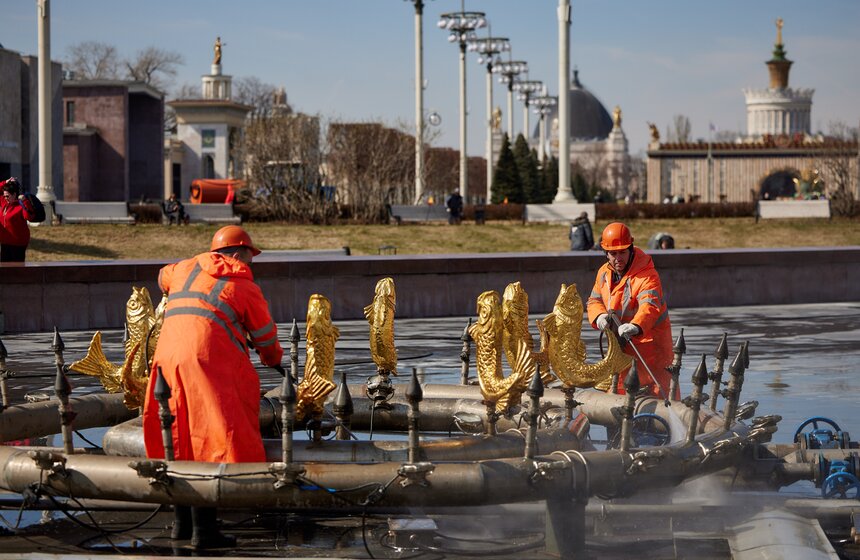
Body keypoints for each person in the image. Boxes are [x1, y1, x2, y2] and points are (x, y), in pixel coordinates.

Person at [142, 225, 283, 549]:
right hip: (206, 364)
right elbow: (265, 336)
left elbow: (162, 276)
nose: (250, 264)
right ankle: (204, 532)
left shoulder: (183, 268)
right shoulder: (242, 284)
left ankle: (180, 526)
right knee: (209, 441)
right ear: (236, 255)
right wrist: (272, 358)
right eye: (249, 257)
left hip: (167, 362)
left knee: (178, 439)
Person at [587, 222, 675, 399]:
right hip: (622, 350)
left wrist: (636, 325)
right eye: (613, 253)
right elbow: (594, 300)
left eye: (622, 252)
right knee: (618, 400)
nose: (618, 258)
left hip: (651, 352)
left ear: (631, 249)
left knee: (658, 404)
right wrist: (599, 316)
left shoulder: (647, 275)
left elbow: (649, 306)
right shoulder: (604, 273)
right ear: (606, 253)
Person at [0, 177, 37, 262]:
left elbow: (29, 217)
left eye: (7, 196)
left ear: (14, 194)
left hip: (18, 244)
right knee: (5, 271)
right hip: (5, 243)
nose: (5, 198)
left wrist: (25, 202)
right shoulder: (4, 202)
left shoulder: (20, 206)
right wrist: (5, 182)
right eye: (4, 195)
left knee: (17, 271)